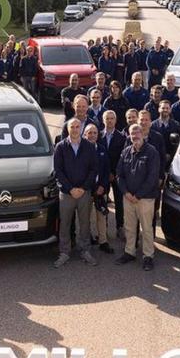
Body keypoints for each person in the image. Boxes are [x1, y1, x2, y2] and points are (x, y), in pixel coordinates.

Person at [52, 118, 98, 268]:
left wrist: (83, 188)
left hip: (84, 193)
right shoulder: (60, 147)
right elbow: (58, 171)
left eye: (78, 127)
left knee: (85, 223)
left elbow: (93, 170)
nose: (75, 129)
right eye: (73, 126)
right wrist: (70, 188)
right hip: (66, 193)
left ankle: (85, 250)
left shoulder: (89, 147)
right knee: (65, 224)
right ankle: (64, 252)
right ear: (68, 128)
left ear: (81, 129)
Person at [115, 123, 160, 271]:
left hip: (145, 198)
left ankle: (148, 256)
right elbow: (119, 175)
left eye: (137, 133)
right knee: (129, 227)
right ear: (129, 136)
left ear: (142, 134)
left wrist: (138, 195)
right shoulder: (125, 152)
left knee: (146, 228)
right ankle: (130, 252)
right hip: (128, 198)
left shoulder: (151, 152)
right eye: (132, 134)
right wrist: (126, 193)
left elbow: (152, 177)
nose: (135, 137)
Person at [83, 124, 114, 254]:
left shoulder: (102, 149)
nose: (92, 135)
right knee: (86, 217)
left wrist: (102, 186)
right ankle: (87, 239)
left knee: (101, 217)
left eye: (95, 133)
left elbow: (107, 171)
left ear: (98, 135)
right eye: (89, 133)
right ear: (84, 135)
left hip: (101, 189)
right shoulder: (80, 151)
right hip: (87, 190)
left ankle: (103, 241)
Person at [99, 111, 127, 237]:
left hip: (116, 175)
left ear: (115, 121)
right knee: (102, 201)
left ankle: (120, 226)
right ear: (103, 120)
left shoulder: (122, 137)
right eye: (107, 118)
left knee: (119, 202)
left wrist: (114, 172)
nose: (109, 121)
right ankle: (103, 228)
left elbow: (123, 157)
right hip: (103, 175)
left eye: (112, 118)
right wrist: (106, 173)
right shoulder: (98, 136)